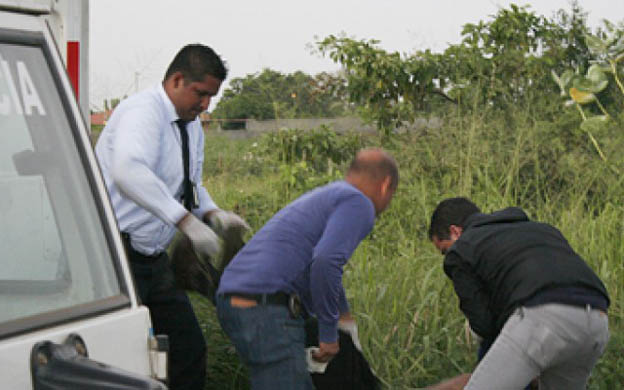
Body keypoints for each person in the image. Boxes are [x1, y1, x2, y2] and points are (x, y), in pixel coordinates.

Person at [95, 44, 248, 390]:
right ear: (177, 80)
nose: (206, 104)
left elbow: (189, 185)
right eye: (201, 93)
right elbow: (128, 171)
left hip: (152, 259)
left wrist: (212, 214)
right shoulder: (142, 113)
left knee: (187, 348)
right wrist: (185, 222)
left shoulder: (190, 125)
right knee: (118, 360)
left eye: (212, 96)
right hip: (114, 258)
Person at [215, 148, 398, 389]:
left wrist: (344, 319)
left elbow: (315, 264)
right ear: (385, 185)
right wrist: (328, 333)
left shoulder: (329, 194)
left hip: (237, 301)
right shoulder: (359, 203)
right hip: (266, 308)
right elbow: (325, 262)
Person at [428, 197, 610, 390]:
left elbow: (483, 324)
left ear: (456, 232)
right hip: (597, 319)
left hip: (543, 318)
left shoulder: (462, 250)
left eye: (444, 250)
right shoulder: (542, 229)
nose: (447, 255)